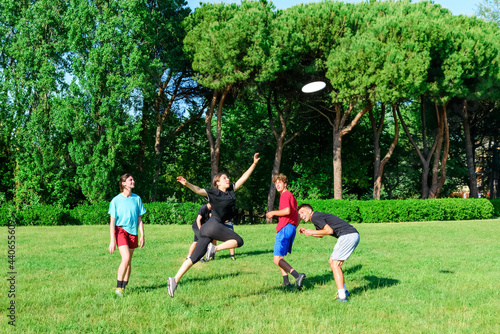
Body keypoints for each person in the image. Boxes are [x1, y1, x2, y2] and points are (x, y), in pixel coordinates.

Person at [167, 153, 260, 297]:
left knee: (194, 258)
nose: (227, 179)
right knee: (239, 241)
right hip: (214, 225)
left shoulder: (230, 191)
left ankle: (174, 280)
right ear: (217, 183)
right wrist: (187, 184)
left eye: (227, 177)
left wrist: (253, 164)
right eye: (224, 178)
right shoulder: (213, 192)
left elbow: (244, 178)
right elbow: (199, 190)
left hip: (208, 228)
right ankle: (214, 248)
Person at [297, 204, 359, 303]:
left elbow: (329, 231)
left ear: (309, 211)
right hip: (350, 235)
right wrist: (307, 232)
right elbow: (321, 234)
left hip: (347, 235)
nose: (301, 216)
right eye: (299, 214)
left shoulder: (315, 217)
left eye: (302, 212)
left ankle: (342, 297)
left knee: (335, 264)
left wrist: (311, 232)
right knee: (332, 262)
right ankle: (344, 291)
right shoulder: (316, 218)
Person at [108, 173, 146, 297]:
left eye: (133, 179)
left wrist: (142, 235)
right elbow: (112, 221)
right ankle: (118, 288)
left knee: (129, 261)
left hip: (133, 232)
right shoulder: (116, 200)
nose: (133, 181)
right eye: (130, 180)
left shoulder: (137, 199)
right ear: (123, 183)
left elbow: (139, 218)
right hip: (120, 231)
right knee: (125, 259)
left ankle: (123, 287)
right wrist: (112, 241)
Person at [266, 174, 305, 290]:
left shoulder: (285, 195)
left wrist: (273, 213)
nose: (277, 184)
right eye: (275, 183)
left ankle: (298, 276)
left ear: (285, 184)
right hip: (291, 228)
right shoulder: (292, 196)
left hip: (285, 228)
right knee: (280, 257)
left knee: (276, 259)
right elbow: (298, 216)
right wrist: (293, 227)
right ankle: (286, 282)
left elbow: (287, 211)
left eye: (280, 182)